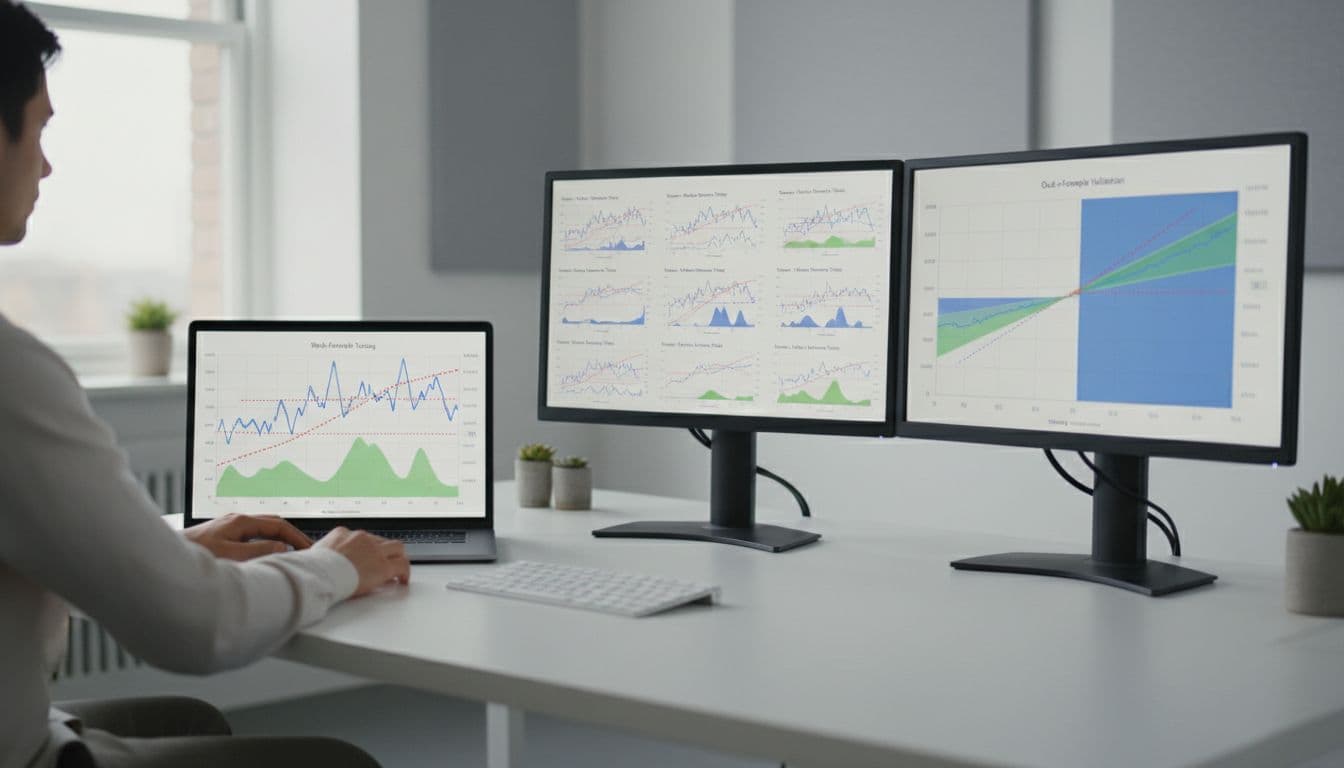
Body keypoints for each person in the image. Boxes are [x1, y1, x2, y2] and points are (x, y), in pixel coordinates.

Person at [0, 3, 412, 766]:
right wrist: (333, 564)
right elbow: (198, 631)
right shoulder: (10, 375)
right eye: (41, 128)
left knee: (189, 720)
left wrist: (165, 550)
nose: (48, 165)